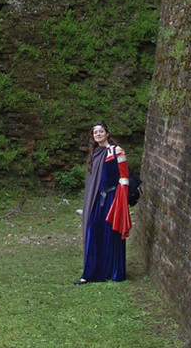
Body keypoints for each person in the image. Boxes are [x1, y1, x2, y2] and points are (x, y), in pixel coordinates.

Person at [74, 121, 132, 284]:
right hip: (97, 200)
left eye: (101, 131)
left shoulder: (116, 151)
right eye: (95, 133)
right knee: (94, 230)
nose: (98, 134)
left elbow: (124, 177)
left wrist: (121, 201)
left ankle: (113, 270)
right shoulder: (95, 153)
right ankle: (91, 272)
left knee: (111, 233)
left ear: (107, 133)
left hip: (112, 199)